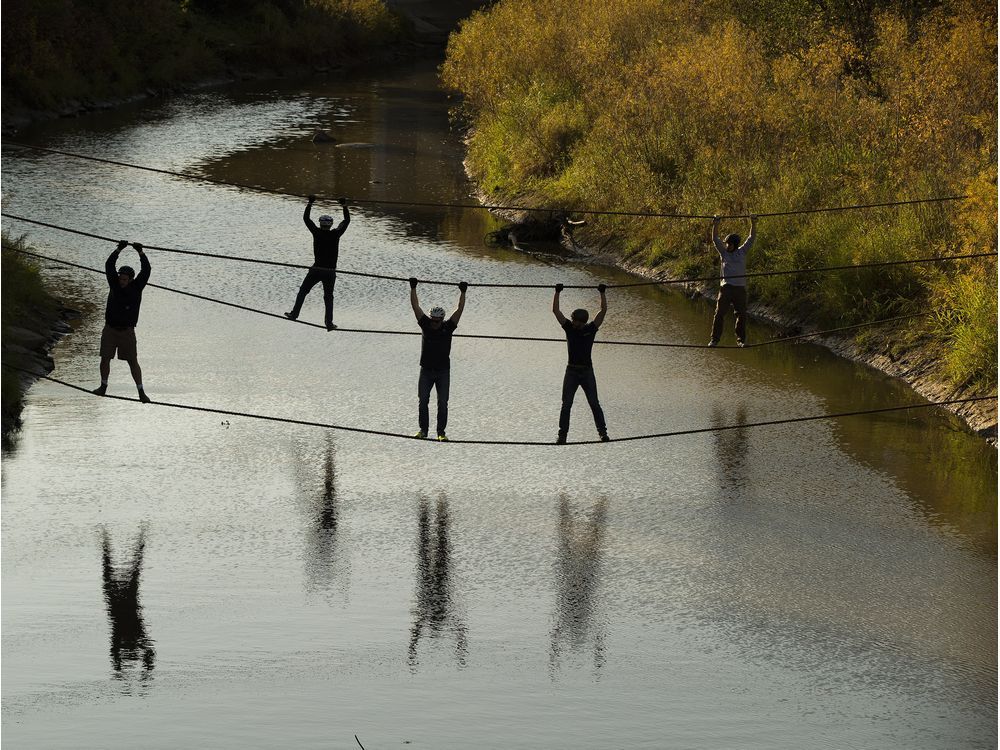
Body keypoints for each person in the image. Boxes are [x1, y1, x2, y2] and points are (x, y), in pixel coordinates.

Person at [93, 240, 151, 402]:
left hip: (127, 331)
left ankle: (141, 392)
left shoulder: (137, 287)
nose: (121, 281)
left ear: (131, 280)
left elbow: (146, 270)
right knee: (105, 357)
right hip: (110, 329)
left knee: (133, 361)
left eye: (124, 279)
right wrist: (119, 249)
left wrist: (141, 253)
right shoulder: (114, 283)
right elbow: (109, 265)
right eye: (120, 278)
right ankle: (103, 387)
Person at [409, 277, 467, 441]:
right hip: (426, 371)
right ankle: (423, 431)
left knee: (442, 402)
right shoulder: (425, 324)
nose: (434, 324)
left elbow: (459, 310)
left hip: (443, 372)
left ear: (442, 320)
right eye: (433, 320)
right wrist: (413, 288)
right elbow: (415, 306)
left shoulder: (448, 327)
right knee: (423, 401)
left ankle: (441, 433)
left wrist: (462, 292)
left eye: (437, 321)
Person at [553, 283, 609, 444]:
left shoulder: (591, 329)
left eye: (576, 322)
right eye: (573, 321)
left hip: (586, 372)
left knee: (594, 404)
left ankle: (602, 433)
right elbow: (556, 311)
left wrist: (602, 293)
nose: (573, 323)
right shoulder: (569, 328)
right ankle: (562, 436)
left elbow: (603, 312)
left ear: (582, 322)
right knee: (566, 405)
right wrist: (557, 292)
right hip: (571, 371)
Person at [285, 194, 350, 331]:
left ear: (320, 224)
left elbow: (306, 219)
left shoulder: (317, 232)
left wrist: (310, 203)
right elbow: (346, 221)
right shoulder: (335, 234)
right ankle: (329, 323)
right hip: (330, 271)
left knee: (303, 291)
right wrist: (344, 205)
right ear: (331, 224)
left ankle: (294, 314)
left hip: (317, 269)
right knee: (328, 297)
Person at [709, 214, 758, 347]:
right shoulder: (723, 253)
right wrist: (716, 224)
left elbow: (751, 238)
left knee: (741, 315)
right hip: (726, 288)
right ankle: (714, 340)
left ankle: (741, 341)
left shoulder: (742, 252)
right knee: (719, 314)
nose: (727, 246)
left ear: (735, 245)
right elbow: (715, 239)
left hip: (740, 289)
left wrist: (753, 222)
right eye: (726, 244)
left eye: (729, 244)